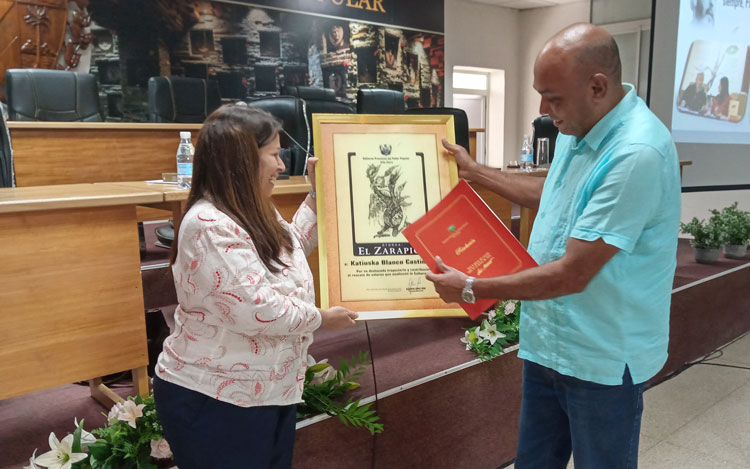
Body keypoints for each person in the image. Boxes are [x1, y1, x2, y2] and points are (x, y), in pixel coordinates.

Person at [427, 23, 680, 468]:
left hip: (600, 356)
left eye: (554, 97)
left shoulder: (635, 152)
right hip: (550, 342)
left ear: (598, 86)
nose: (544, 109)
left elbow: (573, 273)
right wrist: (476, 172)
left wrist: (471, 285)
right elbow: (556, 195)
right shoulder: (577, 127)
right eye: (540, 94)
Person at [153, 105, 358, 469]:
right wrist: (322, 317)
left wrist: (316, 195)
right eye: (275, 155)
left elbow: (292, 246)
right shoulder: (208, 223)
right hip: (215, 397)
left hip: (265, 389)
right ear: (243, 160)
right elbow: (255, 308)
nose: (282, 166)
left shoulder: (251, 207)